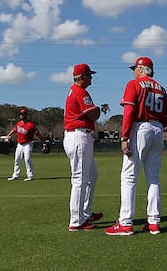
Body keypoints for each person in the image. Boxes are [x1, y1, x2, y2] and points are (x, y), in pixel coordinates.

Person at [105, 57, 167, 236]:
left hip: (140, 127)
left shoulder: (133, 84)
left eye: (135, 68)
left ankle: (125, 223)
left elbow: (129, 111)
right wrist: (155, 126)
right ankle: (154, 222)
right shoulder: (161, 88)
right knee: (154, 178)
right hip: (158, 128)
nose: (134, 72)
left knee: (129, 177)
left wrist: (124, 136)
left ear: (142, 69)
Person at [64, 63, 102, 231]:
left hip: (78, 135)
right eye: (89, 75)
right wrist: (98, 110)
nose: (91, 77)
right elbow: (93, 115)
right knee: (79, 180)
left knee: (92, 175)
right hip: (78, 135)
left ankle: (85, 212)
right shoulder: (80, 92)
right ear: (81, 77)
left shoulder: (75, 90)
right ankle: (76, 220)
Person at [6, 108, 43, 181]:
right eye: (20, 114)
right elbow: (14, 130)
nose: (21, 116)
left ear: (26, 115)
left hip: (28, 144)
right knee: (17, 159)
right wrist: (8, 135)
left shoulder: (31, 125)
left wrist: (43, 142)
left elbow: (38, 134)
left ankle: (30, 175)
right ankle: (15, 175)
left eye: (23, 114)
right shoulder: (18, 124)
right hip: (20, 144)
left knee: (27, 159)